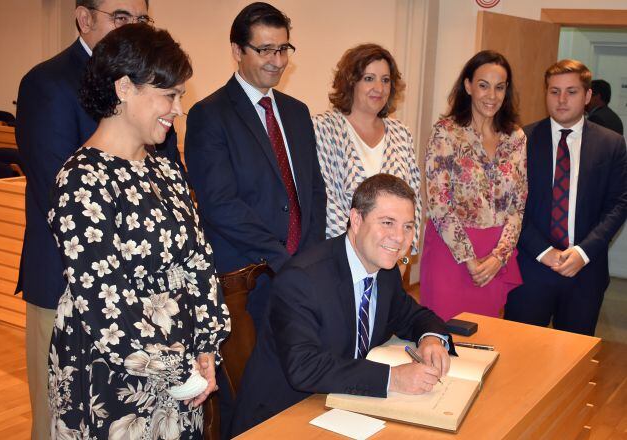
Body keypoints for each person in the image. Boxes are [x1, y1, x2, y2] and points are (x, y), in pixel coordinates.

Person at [47, 24, 230, 438]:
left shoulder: (165, 170)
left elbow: (200, 262)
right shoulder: (82, 180)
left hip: (182, 371)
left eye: (180, 95)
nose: (178, 108)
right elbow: (103, 304)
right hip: (113, 376)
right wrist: (179, 371)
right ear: (125, 87)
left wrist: (205, 347)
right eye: (169, 95)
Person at [15, 2, 181, 437]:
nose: (134, 28)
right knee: (63, 419)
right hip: (68, 283)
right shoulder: (47, 82)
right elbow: (58, 189)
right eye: (121, 16)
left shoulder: (156, 84)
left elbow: (170, 173)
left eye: (142, 19)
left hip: (152, 297)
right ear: (84, 19)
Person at [231, 174, 454, 436]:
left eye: (407, 226)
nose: (399, 238)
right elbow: (304, 366)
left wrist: (431, 339)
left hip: (345, 408)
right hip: (283, 415)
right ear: (356, 220)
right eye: (387, 223)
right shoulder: (301, 279)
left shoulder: (386, 271)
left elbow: (412, 315)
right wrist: (393, 378)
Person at [184, 2, 326, 328]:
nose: (277, 62)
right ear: (237, 50)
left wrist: (309, 259)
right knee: (247, 376)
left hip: (298, 272)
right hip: (245, 277)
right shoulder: (210, 114)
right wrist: (281, 259)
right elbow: (220, 204)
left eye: (283, 49)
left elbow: (314, 191)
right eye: (265, 50)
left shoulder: (297, 113)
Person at [505, 60, 627, 336]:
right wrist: (544, 252)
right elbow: (511, 205)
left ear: (586, 96)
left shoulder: (611, 144)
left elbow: (619, 204)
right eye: (554, 91)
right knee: (519, 354)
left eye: (571, 92)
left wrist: (583, 252)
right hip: (530, 268)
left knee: (573, 362)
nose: (561, 100)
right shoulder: (520, 140)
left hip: (585, 271)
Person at [420, 50, 527, 321]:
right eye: (483, 85)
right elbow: (438, 203)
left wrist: (498, 257)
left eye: (499, 87)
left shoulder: (515, 137)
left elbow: (518, 205)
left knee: (486, 338)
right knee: (444, 336)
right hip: (451, 253)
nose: (492, 95)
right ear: (468, 86)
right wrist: (470, 259)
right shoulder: (446, 131)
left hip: (495, 254)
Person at [313, 43, 421, 265]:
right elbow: (326, 201)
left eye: (385, 80)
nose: (379, 88)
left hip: (393, 258)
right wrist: (360, 261)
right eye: (369, 78)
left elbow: (413, 200)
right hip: (340, 260)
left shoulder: (402, 133)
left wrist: (401, 258)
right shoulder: (323, 128)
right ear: (351, 82)